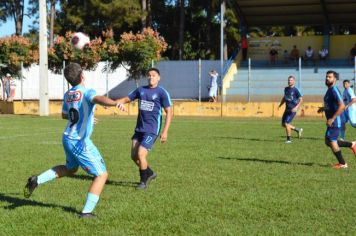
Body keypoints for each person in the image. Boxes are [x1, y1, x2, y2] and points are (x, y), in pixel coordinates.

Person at [24, 63, 126, 218]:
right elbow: (98, 98)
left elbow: (66, 115)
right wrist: (115, 102)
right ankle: (86, 212)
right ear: (82, 75)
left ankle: (37, 179)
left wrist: (88, 118)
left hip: (67, 137)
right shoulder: (86, 92)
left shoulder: (68, 94)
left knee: (71, 169)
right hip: (79, 141)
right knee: (101, 175)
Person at [116, 68, 172, 190]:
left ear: (158, 78)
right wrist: (114, 103)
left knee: (141, 154)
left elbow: (169, 112)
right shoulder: (141, 90)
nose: (151, 77)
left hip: (152, 130)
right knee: (134, 156)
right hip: (139, 129)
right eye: (149, 75)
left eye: (153, 75)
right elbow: (127, 99)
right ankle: (150, 173)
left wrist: (165, 131)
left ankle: (143, 181)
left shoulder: (162, 92)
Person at [317, 71, 356, 169]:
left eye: (329, 77)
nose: (327, 78)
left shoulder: (334, 89)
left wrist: (332, 118)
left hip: (336, 120)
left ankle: (343, 164)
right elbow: (331, 104)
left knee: (331, 140)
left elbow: (342, 105)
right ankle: (352, 144)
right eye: (326, 77)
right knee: (328, 141)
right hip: (334, 120)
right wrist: (323, 108)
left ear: (335, 79)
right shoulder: (329, 90)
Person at [278, 75, 303, 143]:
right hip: (287, 109)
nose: (289, 81)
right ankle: (297, 129)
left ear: (294, 81)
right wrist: (280, 105)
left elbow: (301, 100)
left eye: (291, 80)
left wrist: (296, 107)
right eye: (289, 80)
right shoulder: (286, 89)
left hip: (292, 110)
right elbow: (284, 98)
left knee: (286, 123)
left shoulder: (296, 90)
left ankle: (289, 140)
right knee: (283, 124)